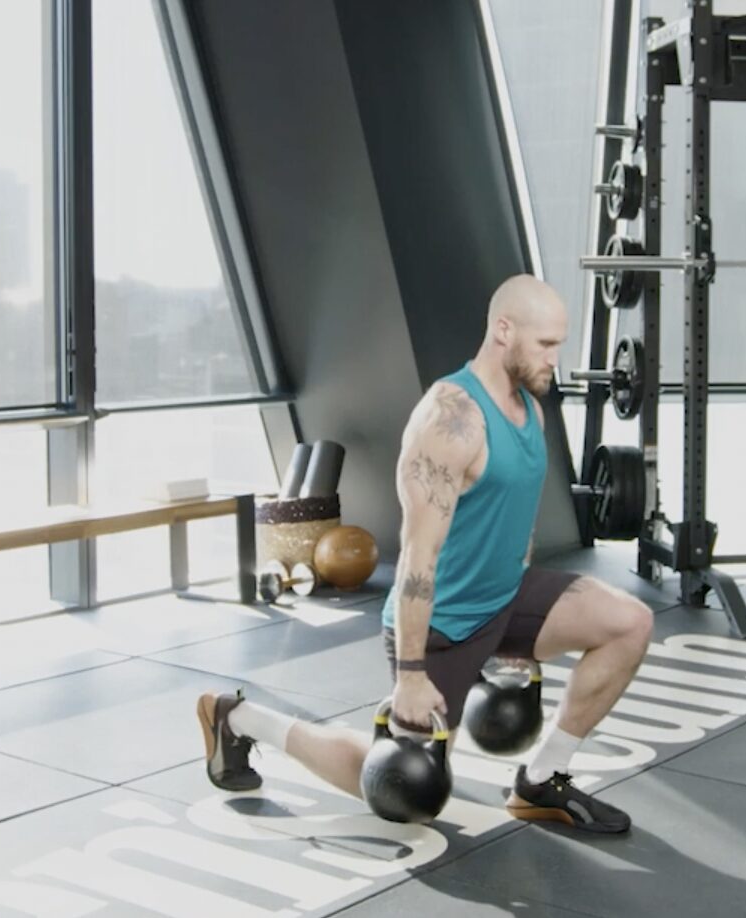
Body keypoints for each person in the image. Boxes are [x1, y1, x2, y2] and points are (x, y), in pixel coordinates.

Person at [196, 274, 653, 833]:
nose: (556, 358)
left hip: (504, 597)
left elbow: (511, 523)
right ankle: (240, 718)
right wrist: (411, 674)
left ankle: (542, 781)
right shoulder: (450, 419)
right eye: (546, 344)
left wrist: (521, 636)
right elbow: (416, 556)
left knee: (629, 623)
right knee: (399, 784)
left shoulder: (528, 407)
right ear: (503, 331)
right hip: (443, 621)